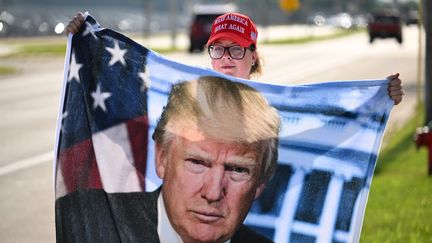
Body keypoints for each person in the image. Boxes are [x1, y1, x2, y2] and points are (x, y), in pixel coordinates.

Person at [56, 76, 281, 243]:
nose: (213, 193)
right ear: (162, 158)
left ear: (260, 183)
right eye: (198, 163)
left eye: (237, 170)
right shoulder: (92, 222)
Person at [66, 12, 405, 105]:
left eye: (237, 49)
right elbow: (125, 92)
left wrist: (379, 96)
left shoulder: (271, 105)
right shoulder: (186, 98)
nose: (226, 57)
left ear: (253, 57)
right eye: (218, 48)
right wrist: (84, 39)